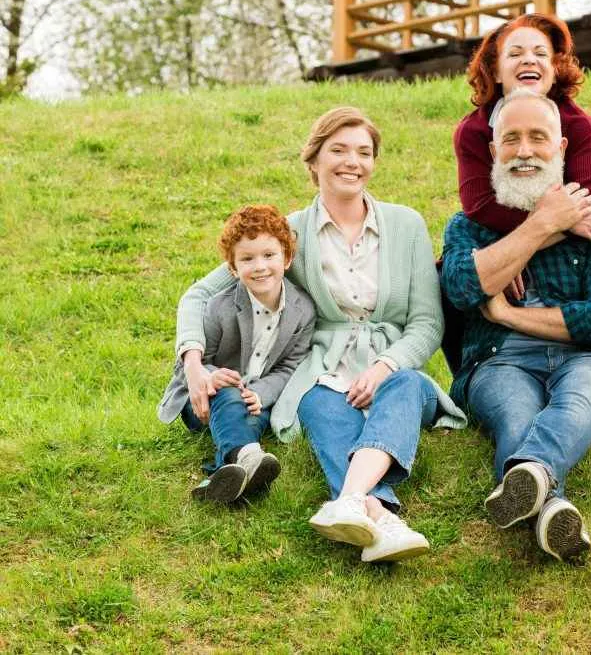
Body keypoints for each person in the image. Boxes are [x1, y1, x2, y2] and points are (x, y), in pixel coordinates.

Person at [175, 106, 466, 563]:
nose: (353, 161)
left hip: (395, 366)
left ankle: (347, 500)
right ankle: (382, 515)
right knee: (321, 409)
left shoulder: (406, 224)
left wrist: (384, 366)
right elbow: (198, 294)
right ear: (314, 161)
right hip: (322, 371)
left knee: (405, 387)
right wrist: (193, 363)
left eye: (364, 152)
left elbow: (427, 323)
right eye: (339, 150)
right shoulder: (288, 233)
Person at [441, 89, 591, 563]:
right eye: (511, 139)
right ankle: (551, 505)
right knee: (516, 415)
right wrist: (539, 226)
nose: (525, 150)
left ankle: (534, 476)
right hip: (500, 361)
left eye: (538, 137)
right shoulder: (467, 227)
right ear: (493, 152)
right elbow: (462, 288)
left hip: (586, 360)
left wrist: (509, 314)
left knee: (580, 396)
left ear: (561, 148)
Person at [444, 13, 591, 372]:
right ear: (495, 71)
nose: (529, 59)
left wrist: (520, 250)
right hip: (498, 233)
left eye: (541, 53)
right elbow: (480, 207)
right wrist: (511, 252)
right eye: (516, 53)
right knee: (456, 273)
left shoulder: (580, 126)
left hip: (564, 251)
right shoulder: (473, 131)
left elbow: (587, 202)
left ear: (554, 68)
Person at [158, 204, 315, 504]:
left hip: (256, 401)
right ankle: (250, 457)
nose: (260, 266)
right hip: (206, 399)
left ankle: (226, 473)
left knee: (250, 416)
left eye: (269, 255)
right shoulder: (220, 308)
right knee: (229, 394)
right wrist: (211, 375)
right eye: (247, 259)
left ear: (287, 258)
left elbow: (291, 366)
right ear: (232, 268)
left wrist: (261, 394)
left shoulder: (302, 311)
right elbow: (196, 364)